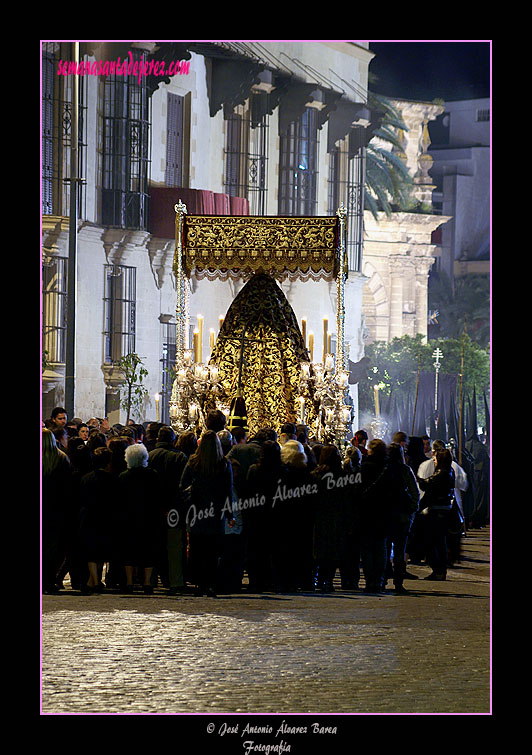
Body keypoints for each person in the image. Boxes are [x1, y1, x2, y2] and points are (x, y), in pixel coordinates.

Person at [179, 430, 233, 597]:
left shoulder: (193, 462)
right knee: (213, 550)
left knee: (197, 549)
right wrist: (230, 514)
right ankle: (211, 582)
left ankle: (199, 582)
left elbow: (183, 486)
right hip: (216, 512)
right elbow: (227, 491)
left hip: (196, 511)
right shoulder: (223, 464)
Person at [117, 444, 166, 594]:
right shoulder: (153, 475)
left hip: (129, 518)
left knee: (129, 551)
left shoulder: (123, 476)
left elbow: (119, 500)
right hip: (149, 517)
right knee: (148, 551)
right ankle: (147, 582)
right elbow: (158, 496)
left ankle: (130, 582)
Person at [148, 426, 188, 594]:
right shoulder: (179, 457)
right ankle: (175, 581)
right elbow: (183, 484)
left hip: (153, 508)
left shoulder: (149, 456)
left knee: (154, 545)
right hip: (174, 508)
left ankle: (150, 580)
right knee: (174, 546)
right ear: (173, 440)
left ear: (158, 439)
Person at [311, 444, 356, 592]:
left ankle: (320, 579)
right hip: (337, 518)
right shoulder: (343, 476)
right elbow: (347, 501)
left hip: (319, 516)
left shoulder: (315, 475)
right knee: (333, 550)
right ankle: (328, 580)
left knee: (320, 549)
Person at [244, 440, 285, 593]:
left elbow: (248, 491)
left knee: (256, 549)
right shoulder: (282, 470)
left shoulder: (254, 469)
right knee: (274, 549)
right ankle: (273, 580)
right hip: (276, 514)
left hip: (257, 514)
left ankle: (256, 581)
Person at [78, 447, 120, 593]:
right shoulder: (113, 479)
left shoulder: (86, 478)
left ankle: (93, 581)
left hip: (88, 516)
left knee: (91, 550)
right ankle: (96, 581)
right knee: (101, 550)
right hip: (106, 517)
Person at [277, 440, 314, 592]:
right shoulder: (308, 473)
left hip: (285, 517)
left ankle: (287, 581)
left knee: (286, 549)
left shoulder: (282, 473)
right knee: (303, 549)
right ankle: (305, 581)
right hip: (303, 517)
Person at [358, 439, 392, 593]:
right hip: (383, 512)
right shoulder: (388, 467)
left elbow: (358, 490)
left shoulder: (364, 468)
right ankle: (378, 580)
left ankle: (369, 580)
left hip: (366, 512)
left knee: (367, 550)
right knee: (381, 548)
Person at [385, 443, 420, 593]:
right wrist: (412, 511)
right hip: (402, 516)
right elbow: (415, 493)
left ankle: (383, 580)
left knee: (385, 550)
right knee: (400, 550)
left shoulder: (384, 469)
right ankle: (398, 582)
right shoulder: (405, 470)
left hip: (386, 514)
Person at [417, 449, 455, 581]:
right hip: (444, 510)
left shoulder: (441, 473)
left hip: (437, 511)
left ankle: (438, 569)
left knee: (433, 541)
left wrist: (416, 477)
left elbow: (426, 485)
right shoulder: (450, 472)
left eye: (436, 458)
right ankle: (440, 570)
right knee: (440, 542)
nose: (434, 460)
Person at [42, 428, 71, 593]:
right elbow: (67, 488)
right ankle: (49, 580)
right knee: (54, 547)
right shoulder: (61, 459)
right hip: (56, 510)